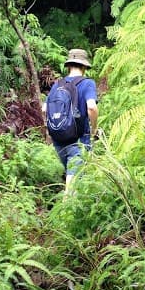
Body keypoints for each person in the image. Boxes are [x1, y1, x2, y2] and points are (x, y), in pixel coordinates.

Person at [45, 48, 98, 193]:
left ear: (68, 66)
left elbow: (45, 109)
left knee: (76, 177)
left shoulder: (58, 85)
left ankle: (75, 209)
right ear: (84, 67)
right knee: (72, 187)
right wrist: (93, 130)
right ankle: (65, 211)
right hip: (78, 140)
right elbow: (92, 108)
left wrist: (49, 133)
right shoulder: (88, 84)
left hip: (58, 139)